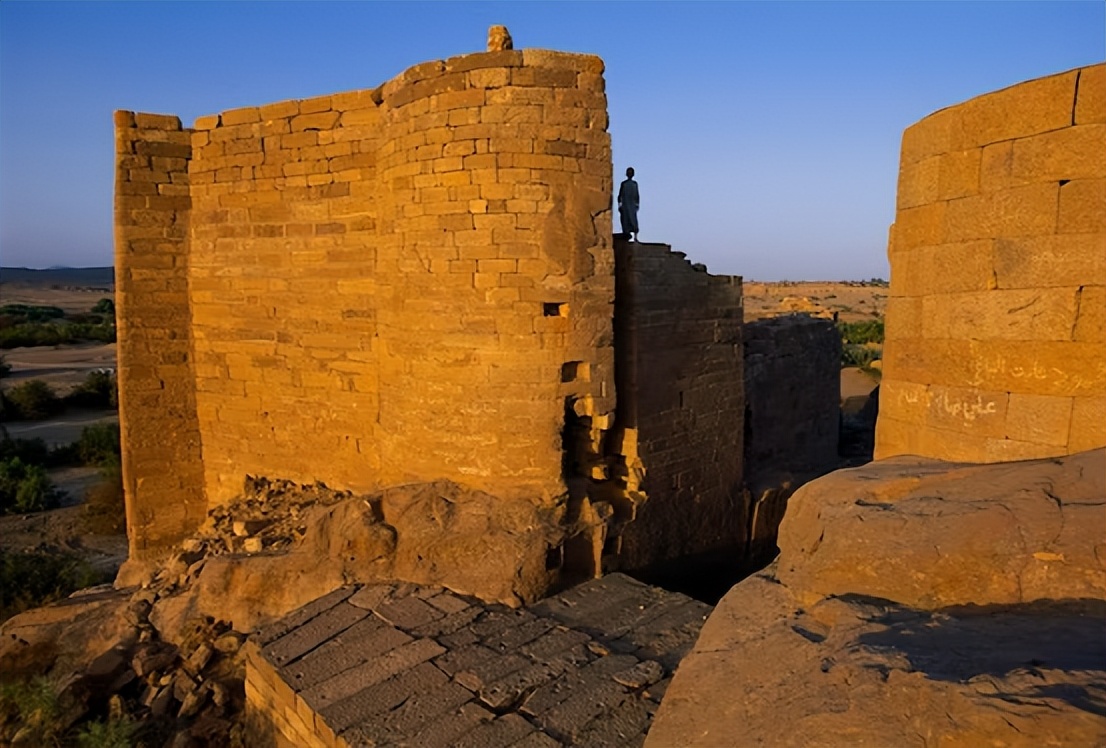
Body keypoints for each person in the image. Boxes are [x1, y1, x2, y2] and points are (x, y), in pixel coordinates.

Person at [618, 167, 639, 242]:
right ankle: (626, 237)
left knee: (633, 220)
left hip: (632, 206)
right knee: (625, 220)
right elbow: (620, 195)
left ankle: (635, 237)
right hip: (625, 205)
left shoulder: (634, 184)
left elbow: (637, 196)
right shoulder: (624, 184)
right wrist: (620, 205)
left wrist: (637, 204)